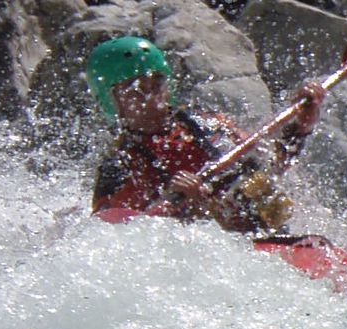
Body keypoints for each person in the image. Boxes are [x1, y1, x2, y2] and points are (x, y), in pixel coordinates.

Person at [87, 36, 328, 235]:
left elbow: (272, 165)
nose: (152, 94)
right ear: (113, 101)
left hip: (265, 235)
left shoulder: (206, 124)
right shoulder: (119, 166)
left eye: (156, 82)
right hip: (209, 254)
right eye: (137, 88)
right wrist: (187, 208)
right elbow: (121, 239)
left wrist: (301, 126)